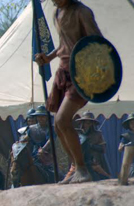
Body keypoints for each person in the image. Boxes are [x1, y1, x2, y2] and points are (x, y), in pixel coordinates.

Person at [35, 0, 102, 184]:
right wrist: (48, 58)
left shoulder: (82, 12)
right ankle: (75, 167)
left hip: (80, 74)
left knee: (62, 120)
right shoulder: (57, 13)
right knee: (58, 125)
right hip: (62, 72)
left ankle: (82, 168)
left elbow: (96, 43)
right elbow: (64, 44)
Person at [73, 111, 110, 181]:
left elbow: (103, 149)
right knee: (69, 176)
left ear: (93, 123)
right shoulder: (77, 133)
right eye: (86, 122)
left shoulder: (98, 134)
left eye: (90, 122)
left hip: (93, 162)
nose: (88, 124)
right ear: (82, 123)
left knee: (106, 177)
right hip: (78, 162)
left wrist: (91, 146)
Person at [118, 113, 134, 177]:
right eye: (131, 123)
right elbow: (120, 148)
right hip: (131, 163)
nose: (133, 124)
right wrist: (128, 145)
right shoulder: (126, 136)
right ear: (129, 125)